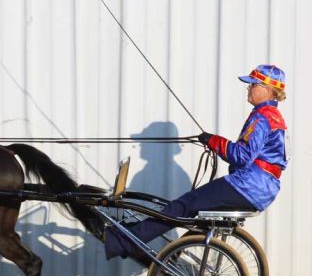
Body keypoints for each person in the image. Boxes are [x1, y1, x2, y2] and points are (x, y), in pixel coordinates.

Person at [104, 64, 288, 262]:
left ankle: (124, 240)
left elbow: (242, 157)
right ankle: (155, 250)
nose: (248, 88)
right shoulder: (274, 117)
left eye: (253, 84)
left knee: (182, 206)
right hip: (261, 188)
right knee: (188, 208)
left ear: (267, 90)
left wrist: (214, 141)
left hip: (248, 186)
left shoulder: (262, 117)